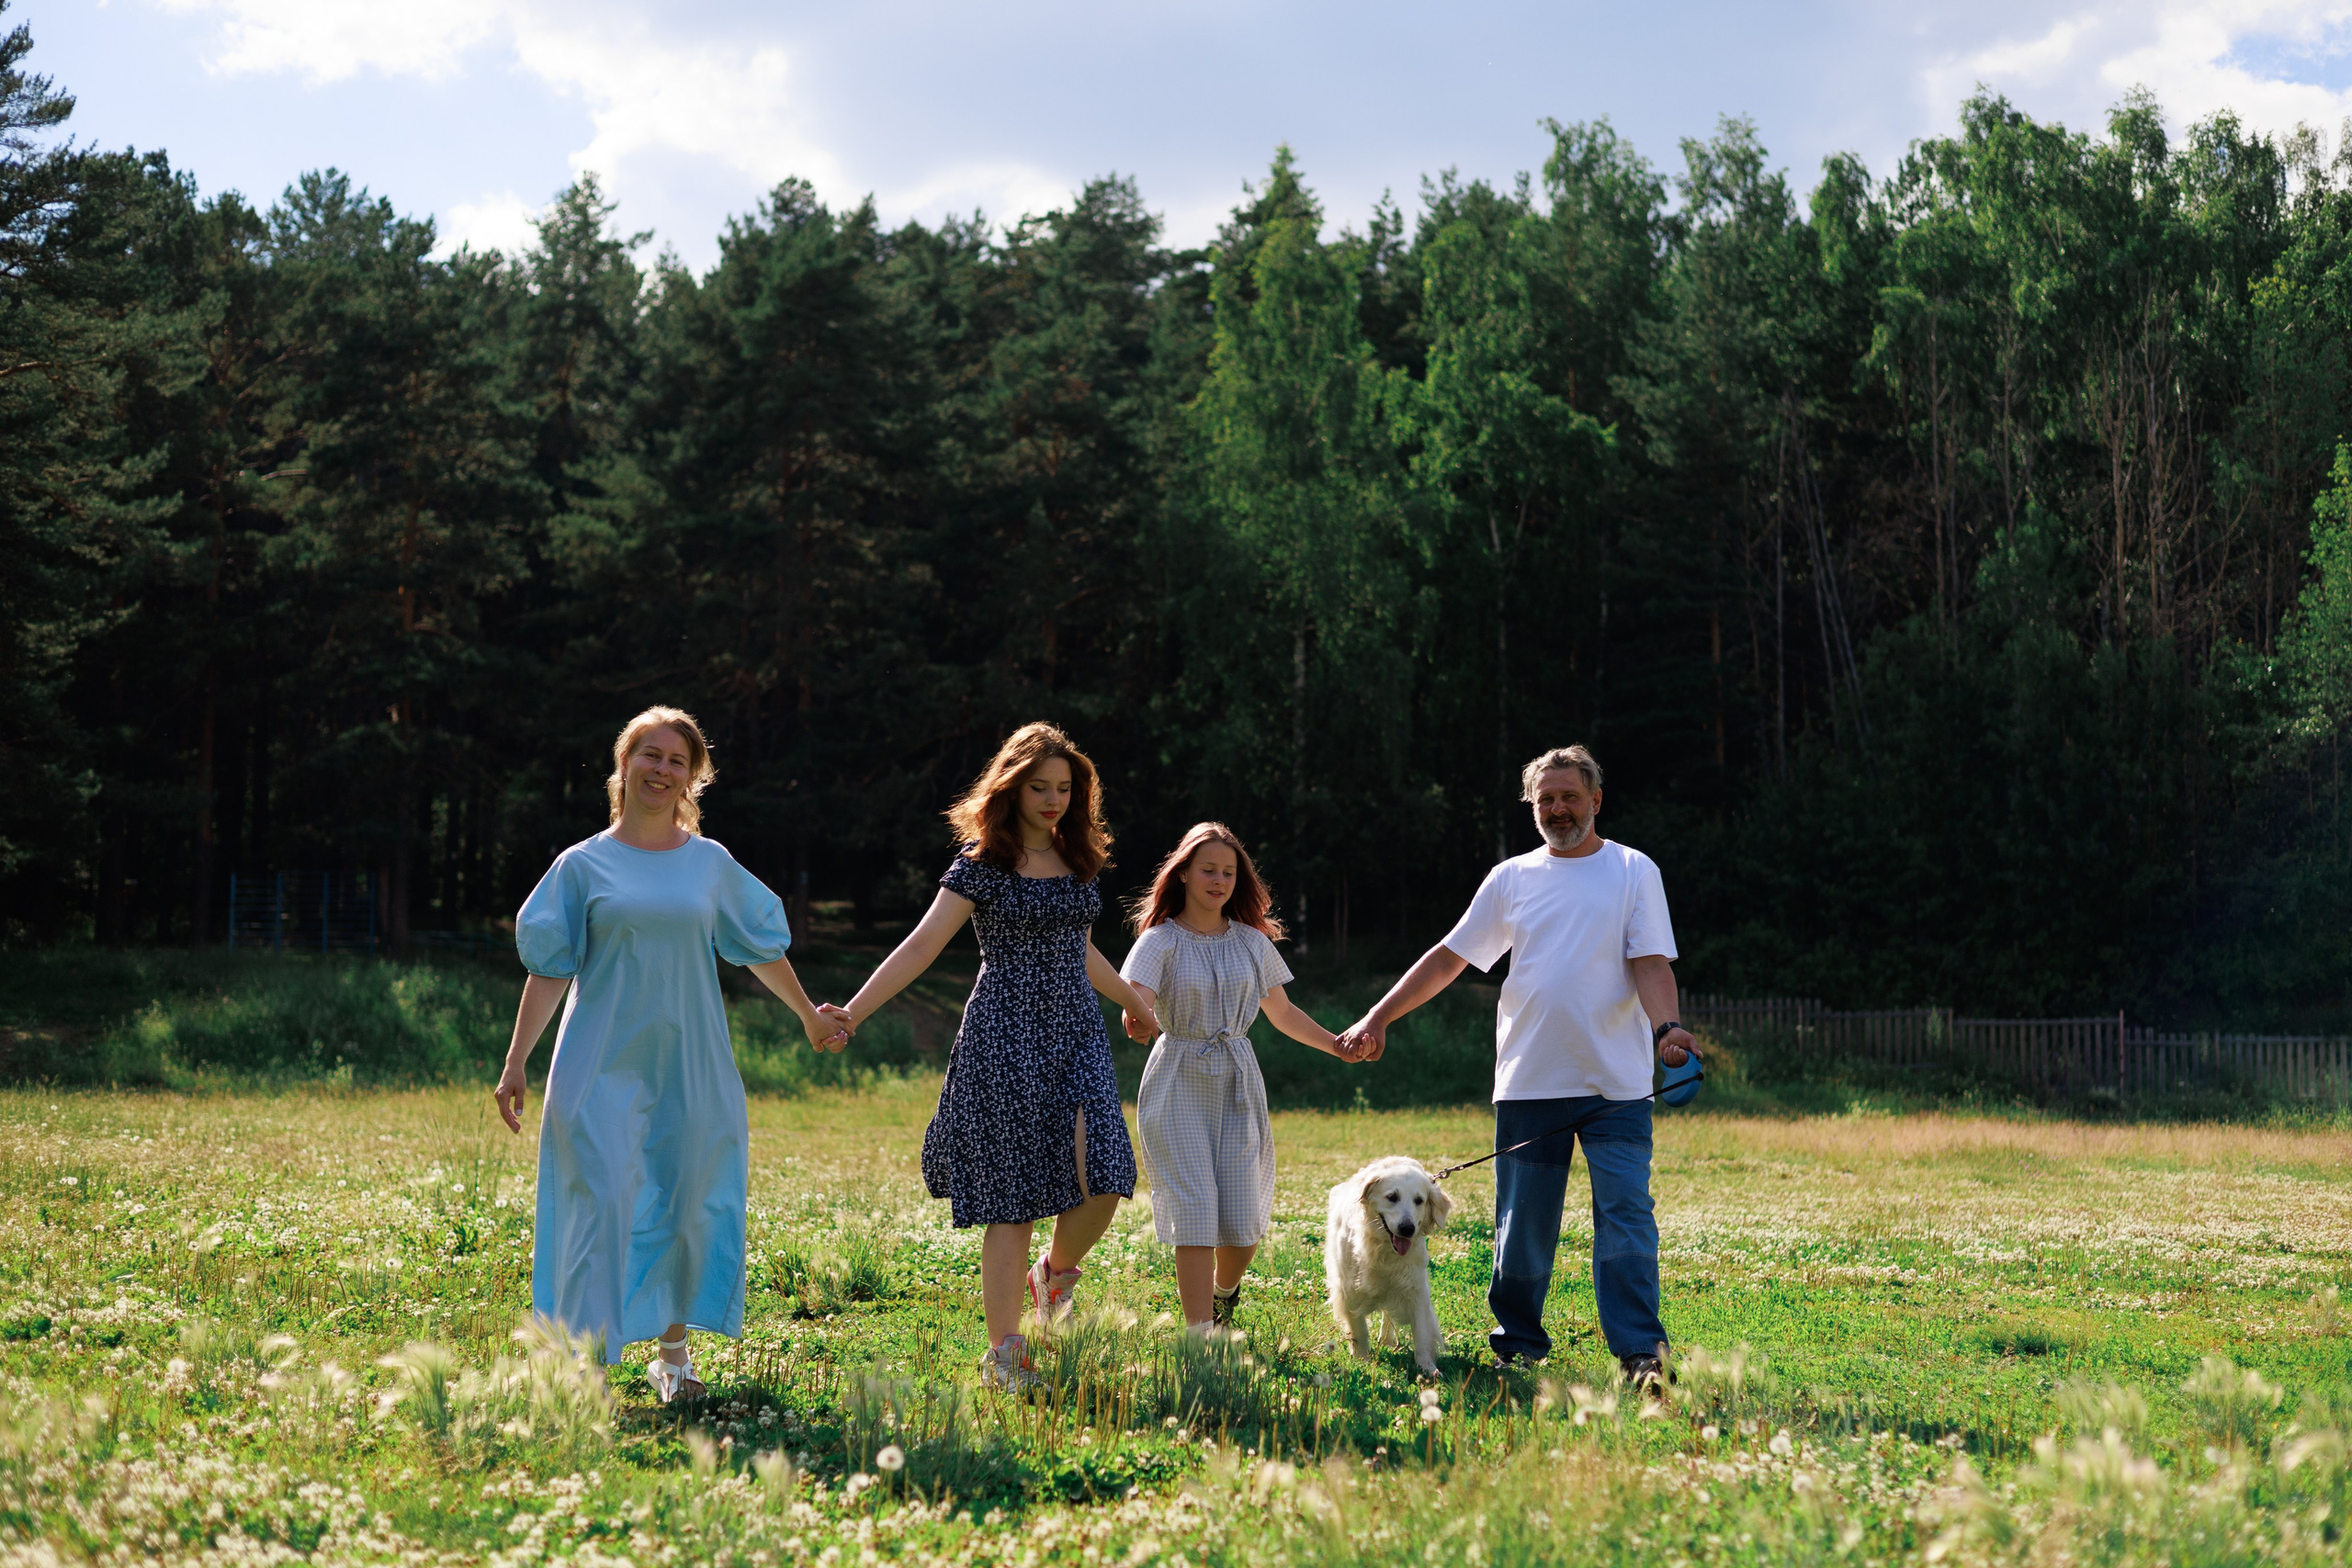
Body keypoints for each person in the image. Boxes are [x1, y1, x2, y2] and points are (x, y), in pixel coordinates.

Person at [495, 706, 846, 1404]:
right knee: (600, 1203)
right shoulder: (582, 865)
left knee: (684, 1201)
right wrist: (515, 1061)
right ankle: (587, 1364)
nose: (661, 769)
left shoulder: (709, 864)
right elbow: (550, 967)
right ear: (623, 765)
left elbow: (759, 947)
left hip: (690, 1062)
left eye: (677, 760)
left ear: (692, 778)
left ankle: (673, 1359)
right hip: (598, 1062)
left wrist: (809, 1014)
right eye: (649, 754)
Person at [1339, 745, 1694, 1389]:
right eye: (1545, 799)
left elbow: (1650, 962)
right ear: (1532, 806)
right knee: (1523, 1227)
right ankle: (1519, 1346)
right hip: (1531, 1082)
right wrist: (1379, 1016)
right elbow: (1450, 957)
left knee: (1626, 1217)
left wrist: (1666, 1028)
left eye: (1569, 796)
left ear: (1596, 800)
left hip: (1617, 1086)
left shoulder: (1633, 870)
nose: (1558, 809)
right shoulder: (1512, 878)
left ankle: (1641, 1352)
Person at [830, 722, 1160, 1393]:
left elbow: (1079, 947)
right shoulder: (982, 863)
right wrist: (852, 1013)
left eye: (1064, 788)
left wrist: (1133, 1000)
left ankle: (1052, 1277)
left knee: (1109, 1174)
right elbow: (922, 945)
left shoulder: (1075, 858)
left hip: (1075, 1033)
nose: (1053, 799)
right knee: (1014, 1200)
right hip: (1004, 1035)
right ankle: (1005, 1354)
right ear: (1010, 788)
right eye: (1039, 787)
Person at [1118, 823, 1361, 1333]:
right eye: (1208, 870)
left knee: (1243, 1222)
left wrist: (1335, 1045)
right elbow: (1136, 997)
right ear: (1183, 874)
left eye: (1228, 872)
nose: (1219, 881)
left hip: (1236, 1079)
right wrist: (1137, 1018)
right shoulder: (1159, 941)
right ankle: (1199, 1339)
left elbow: (1283, 1013)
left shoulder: (1252, 942)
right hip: (1178, 1076)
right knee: (1196, 1213)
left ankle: (1222, 1296)